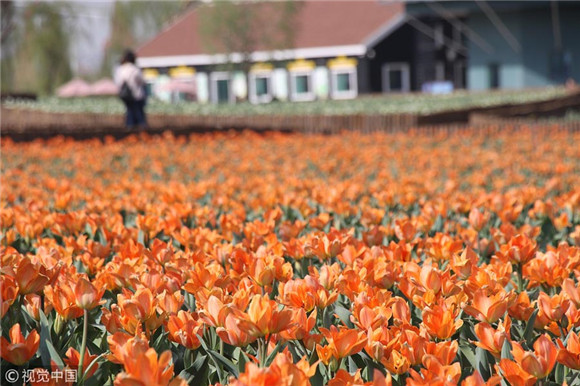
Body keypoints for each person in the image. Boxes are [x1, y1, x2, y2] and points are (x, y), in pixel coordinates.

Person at [115, 49, 147, 130]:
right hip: (136, 94)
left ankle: (129, 127)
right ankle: (141, 128)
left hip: (125, 95)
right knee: (138, 112)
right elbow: (142, 81)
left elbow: (118, 82)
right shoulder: (135, 69)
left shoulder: (120, 69)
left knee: (129, 111)